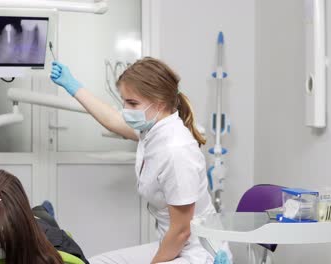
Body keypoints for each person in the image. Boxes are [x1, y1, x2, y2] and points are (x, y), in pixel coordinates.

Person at [50, 57, 230, 264]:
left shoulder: (176, 151)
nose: (125, 109)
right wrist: (73, 86)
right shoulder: (153, 130)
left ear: (159, 102)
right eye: (124, 101)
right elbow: (113, 120)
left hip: (198, 253)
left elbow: (182, 231)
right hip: (174, 245)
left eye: (132, 103)